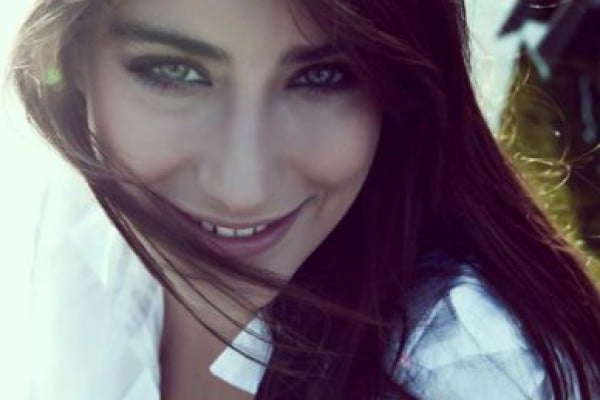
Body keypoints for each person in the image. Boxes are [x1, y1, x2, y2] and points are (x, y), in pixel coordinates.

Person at [11, 0, 600, 399]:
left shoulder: (469, 368)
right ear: (68, 59)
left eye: (323, 76)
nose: (242, 192)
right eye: (176, 72)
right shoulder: (60, 225)